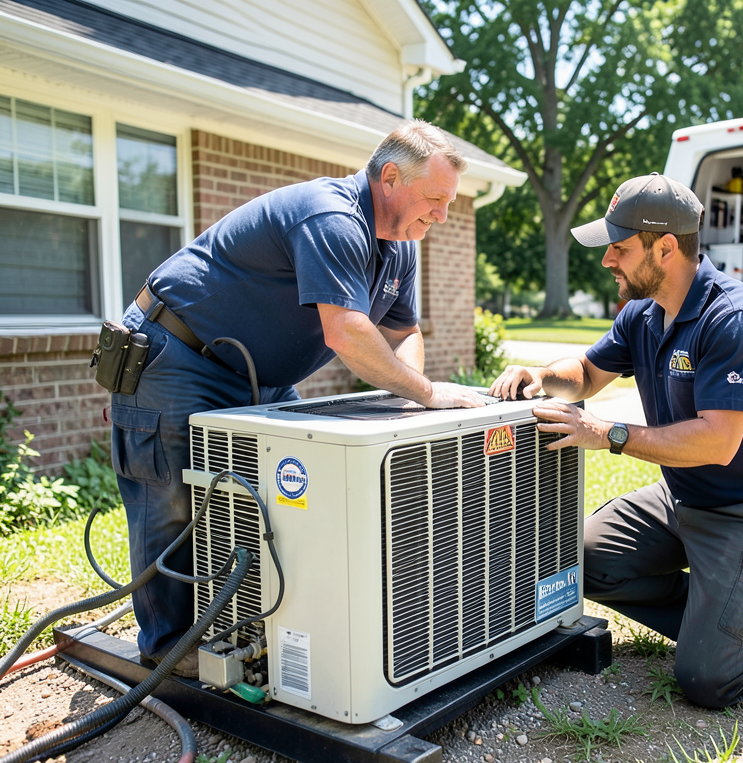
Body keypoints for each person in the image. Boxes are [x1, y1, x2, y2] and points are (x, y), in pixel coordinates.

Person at [108, 120, 486, 673]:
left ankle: (257, 623)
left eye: (449, 203)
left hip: (258, 374)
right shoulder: (331, 216)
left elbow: (402, 331)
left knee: (276, 502)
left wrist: (411, 402)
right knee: (171, 501)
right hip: (180, 353)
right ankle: (169, 648)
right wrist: (427, 393)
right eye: (434, 199)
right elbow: (347, 331)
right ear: (389, 177)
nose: (443, 215)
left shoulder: (398, 245)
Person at [489, 172, 743, 708]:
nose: (607, 262)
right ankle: (730, 606)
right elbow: (587, 372)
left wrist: (605, 433)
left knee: (710, 681)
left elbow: (718, 443)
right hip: (686, 496)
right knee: (577, 560)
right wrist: (540, 374)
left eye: (619, 248)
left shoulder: (735, 319)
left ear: (666, 248)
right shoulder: (643, 316)